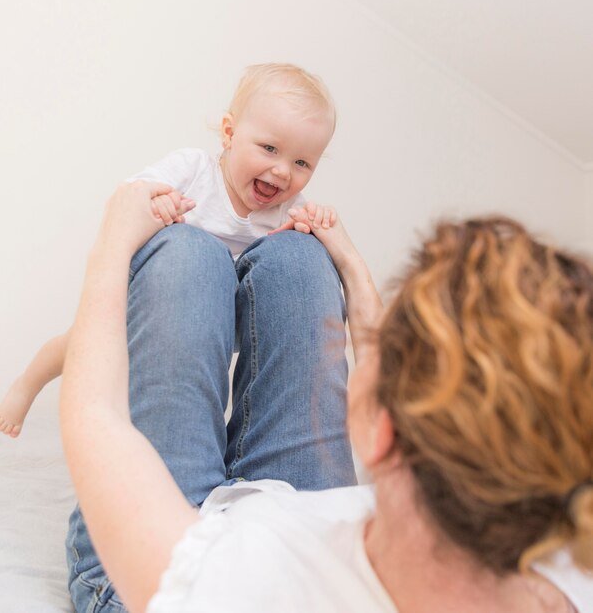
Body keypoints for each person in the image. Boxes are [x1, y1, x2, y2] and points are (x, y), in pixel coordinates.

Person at [61, 179, 593, 612]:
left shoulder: (227, 593)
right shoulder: (567, 566)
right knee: (298, 256)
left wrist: (112, 241)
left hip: (167, 551)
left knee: (184, 251)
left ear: (381, 433)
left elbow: (95, 417)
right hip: (294, 510)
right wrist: (352, 269)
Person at [0, 62, 338, 437]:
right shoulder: (194, 169)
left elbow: (299, 262)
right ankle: (27, 384)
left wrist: (312, 223)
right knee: (78, 344)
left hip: (225, 319)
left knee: (194, 376)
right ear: (229, 133)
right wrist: (160, 201)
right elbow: (133, 196)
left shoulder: (288, 207)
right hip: (155, 298)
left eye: (302, 162)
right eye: (269, 148)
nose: (283, 171)